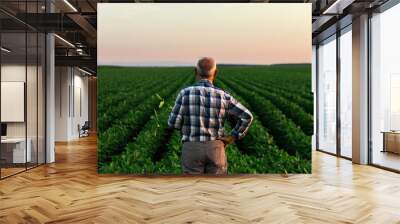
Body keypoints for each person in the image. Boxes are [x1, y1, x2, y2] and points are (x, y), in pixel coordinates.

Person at [167, 57, 253, 174]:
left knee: (193, 188)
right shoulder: (224, 96)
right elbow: (247, 116)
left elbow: (173, 124)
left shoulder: (184, 93)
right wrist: (233, 136)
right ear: (215, 73)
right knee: (216, 189)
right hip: (216, 148)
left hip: (192, 148)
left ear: (195, 71)